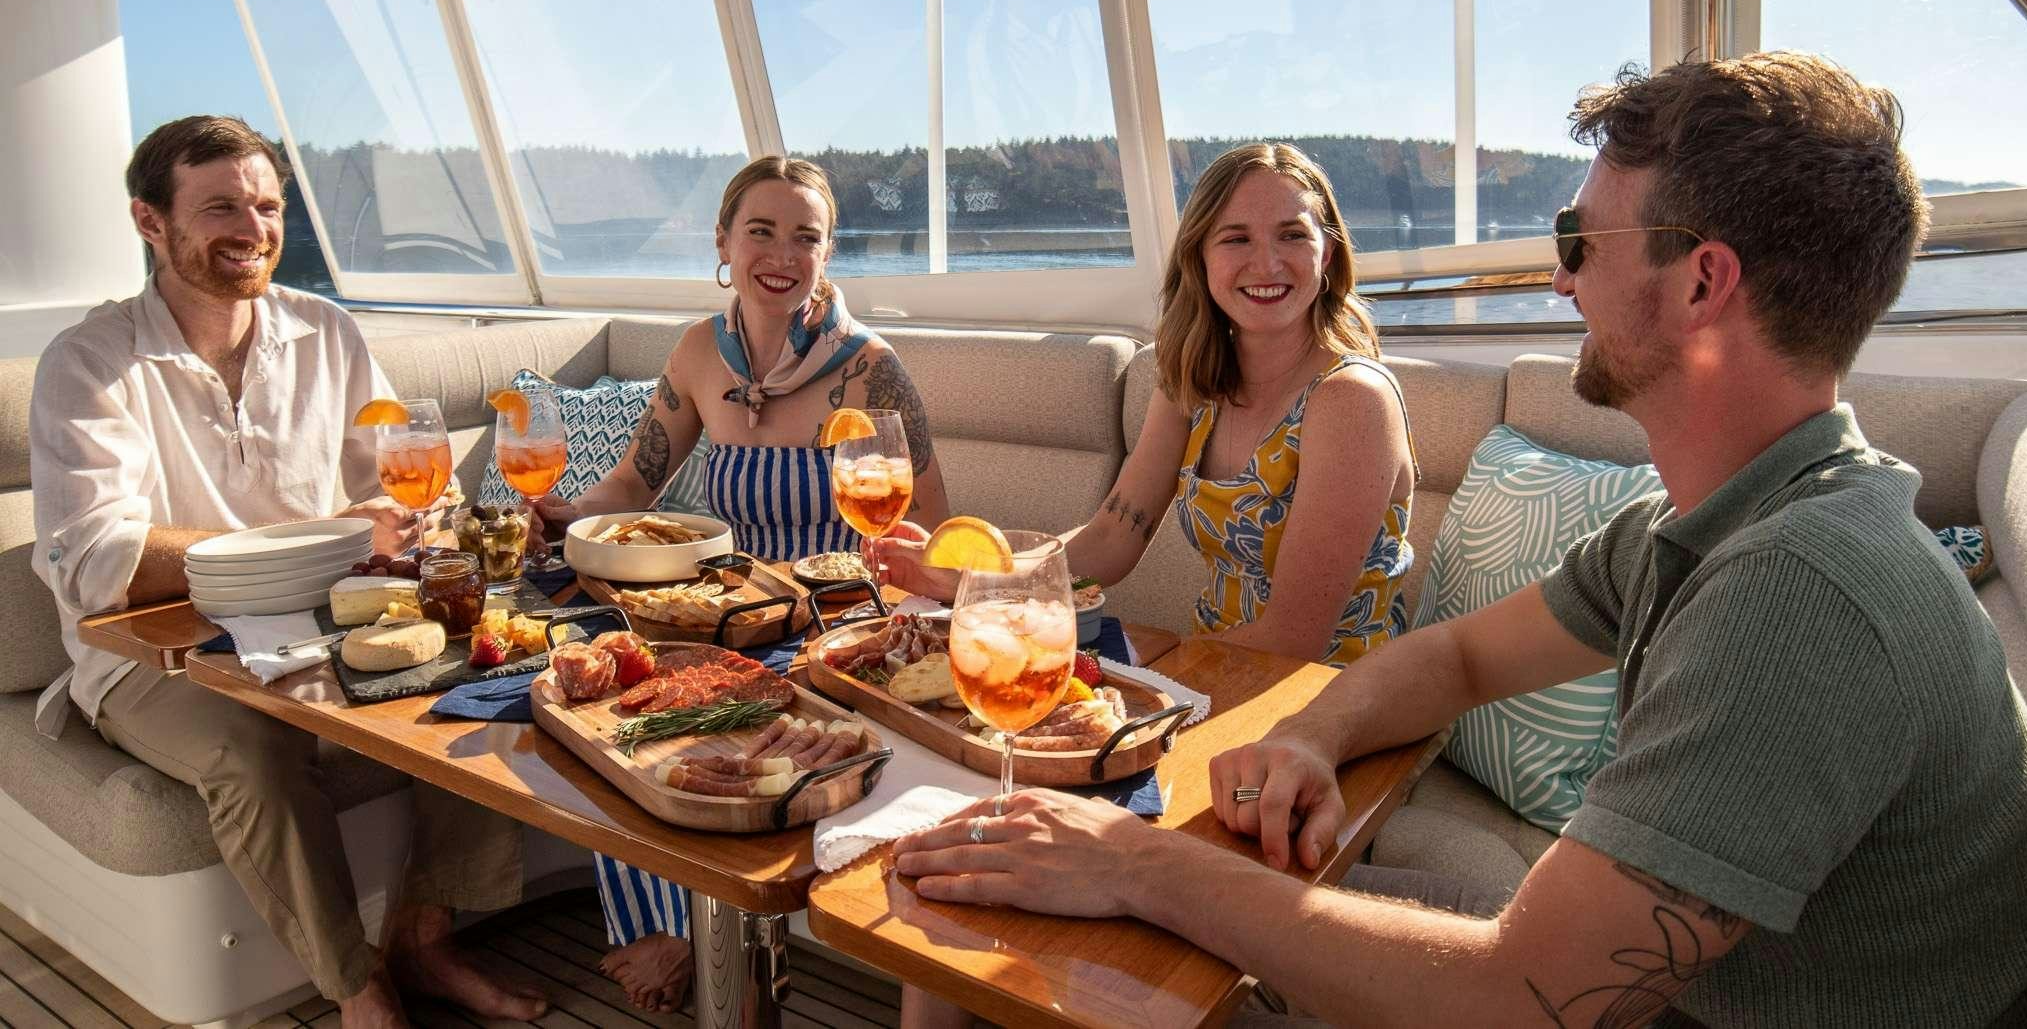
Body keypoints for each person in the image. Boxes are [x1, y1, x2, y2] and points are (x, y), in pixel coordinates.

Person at [892, 54, 2027, 1026]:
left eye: (1580, 241)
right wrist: (1308, 735)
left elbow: (1515, 999)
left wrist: (1131, 860)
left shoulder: (1797, 593)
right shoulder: (1696, 523)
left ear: (1700, 283)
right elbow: (1449, 659)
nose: (1556, 279)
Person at [30, 116, 546, 1029]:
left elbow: (383, 493)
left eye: (267, 205)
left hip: (325, 621)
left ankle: (424, 941)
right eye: (221, 205)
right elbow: (98, 563)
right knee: (252, 747)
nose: (254, 227)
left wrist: (414, 528)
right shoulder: (90, 361)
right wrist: (333, 535)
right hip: (155, 656)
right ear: (151, 221)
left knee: (491, 669)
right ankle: (360, 989)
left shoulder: (327, 331)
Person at [537, 153, 950, 1012]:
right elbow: (632, 487)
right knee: (608, 704)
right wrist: (563, 514)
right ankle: (673, 919)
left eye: (806, 236)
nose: (782, 252)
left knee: (704, 731)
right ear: (724, 242)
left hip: (835, 623)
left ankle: (695, 937)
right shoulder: (699, 353)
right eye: (761, 229)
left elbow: (933, 533)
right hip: (726, 621)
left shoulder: (871, 369)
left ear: (827, 255)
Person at [882, 142, 1415, 666]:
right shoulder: (1193, 378)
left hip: (1326, 705)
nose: (1266, 262)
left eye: (1292, 235)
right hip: (1214, 670)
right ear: (1200, 257)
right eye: (1235, 239)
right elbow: (1113, 537)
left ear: (1329, 253)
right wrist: (975, 580)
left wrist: (1145, 674)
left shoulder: (1351, 400)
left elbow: (1293, 639)